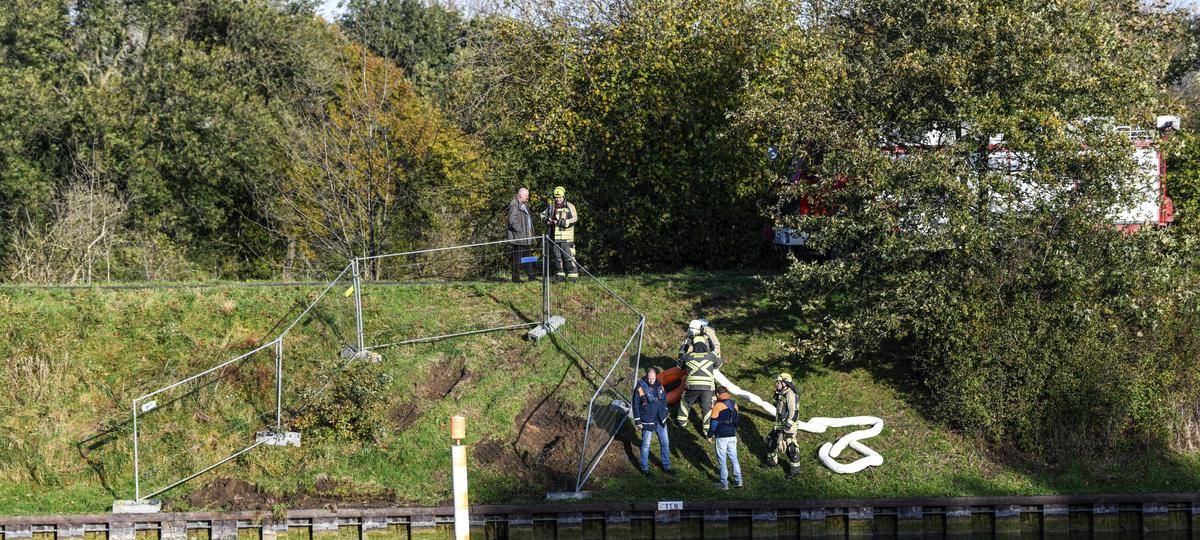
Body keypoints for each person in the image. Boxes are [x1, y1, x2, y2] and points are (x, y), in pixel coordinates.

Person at [631, 367, 674, 476]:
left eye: (653, 378)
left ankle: (666, 466)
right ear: (646, 376)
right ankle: (644, 468)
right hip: (647, 421)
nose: (651, 380)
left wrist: (665, 411)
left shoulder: (660, 385)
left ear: (656, 377)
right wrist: (638, 421)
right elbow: (635, 405)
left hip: (660, 420)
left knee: (665, 444)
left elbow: (664, 399)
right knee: (646, 445)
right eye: (649, 378)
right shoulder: (640, 388)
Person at [674, 340, 723, 429]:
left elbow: (679, 366)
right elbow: (719, 363)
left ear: (694, 348)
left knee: (685, 403)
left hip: (692, 387)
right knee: (707, 409)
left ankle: (681, 423)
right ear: (705, 348)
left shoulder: (688, 356)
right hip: (708, 388)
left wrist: (684, 348)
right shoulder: (711, 356)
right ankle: (707, 431)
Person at [766, 373, 802, 478]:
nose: (776, 384)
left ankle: (795, 470)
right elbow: (778, 407)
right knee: (770, 441)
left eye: (778, 382)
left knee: (790, 447)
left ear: (785, 382)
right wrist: (776, 395)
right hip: (779, 424)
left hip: (788, 426)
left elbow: (794, 413)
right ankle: (771, 462)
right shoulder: (782, 392)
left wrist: (787, 427)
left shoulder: (790, 394)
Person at [707, 386, 743, 490]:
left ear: (718, 394)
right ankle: (738, 480)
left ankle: (724, 483)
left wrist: (709, 436)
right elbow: (736, 420)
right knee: (734, 458)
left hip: (721, 436)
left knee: (722, 460)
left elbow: (713, 423)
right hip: (732, 435)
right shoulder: (734, 404)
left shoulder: (717, 405)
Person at [541, 186, 579, 281]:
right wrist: (547, 221)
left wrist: (560, 222)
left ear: (563, 196)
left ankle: (573, 277)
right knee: (557, 259)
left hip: (566, 238)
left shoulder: (569, 206)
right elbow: (542, 215)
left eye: (560, 197)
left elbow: (574, 219)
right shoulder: (551, 206)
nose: (558, 199)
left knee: (568, 258)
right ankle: (560, 276)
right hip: (553, 237)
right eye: (556, 197)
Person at [506, 187, 538, 282]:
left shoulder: (522, 205)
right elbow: (512, 220)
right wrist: (521, 230)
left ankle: (531, 276)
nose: (528, 197)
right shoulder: (514, 204)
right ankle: (515, 279)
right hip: (519, 237)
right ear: (520, 195)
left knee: (527, 257)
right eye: (526, 195)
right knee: (517, 259)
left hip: (525, 237)